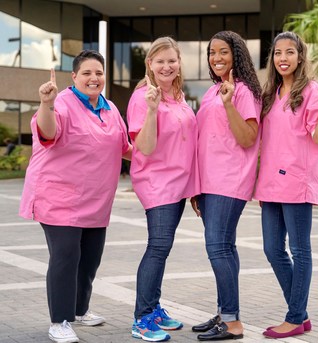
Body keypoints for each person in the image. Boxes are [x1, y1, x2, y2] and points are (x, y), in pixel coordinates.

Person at [19, 50, 132, 343]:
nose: (94, 78)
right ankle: (59, 321)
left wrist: (162, 159)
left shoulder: (110, 109)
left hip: (95, 201)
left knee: (90, 259)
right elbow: (48, 132)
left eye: (98, 73)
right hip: (59, 198)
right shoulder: (62, 104)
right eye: (87, 73)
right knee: (66, 256)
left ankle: (80, 310)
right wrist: (46, 103)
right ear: (74, 77)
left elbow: (126, 148)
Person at [254, 31, 318, 339]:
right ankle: (300, 313)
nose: (283, 58)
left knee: (300, 250)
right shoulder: (269, 94)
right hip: (270, 183)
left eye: (290, 52)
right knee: (272, 249)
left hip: (298, 180)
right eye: (278, 53)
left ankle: (294, 317)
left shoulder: (312, 90)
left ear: (300, 57)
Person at [190, 30, 262, 341]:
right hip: (208, 184)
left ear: (237, 55)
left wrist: (230, 103)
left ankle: (232, 323)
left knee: (217, 247)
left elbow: (247, 138)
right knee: (225, 248)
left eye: (223, 52)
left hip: (228, 181)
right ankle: (225, 313)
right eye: (211, 52)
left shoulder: (243, 92)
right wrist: (195, 186)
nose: (216, 58)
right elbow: (203, 140)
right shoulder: (212, 91)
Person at [126, 37, 200, 342]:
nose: (166, 66)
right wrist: (153, 111)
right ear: (150, 65)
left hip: (179, 184)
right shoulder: (144, 97)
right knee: (157, 247)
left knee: (162, 248)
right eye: (160, 61)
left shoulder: (179, 96)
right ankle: (142, 318)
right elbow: (143, 146)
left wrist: (195, 187)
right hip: (157, 183)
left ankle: (154, 308)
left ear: (179, 62)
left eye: (171, 60)